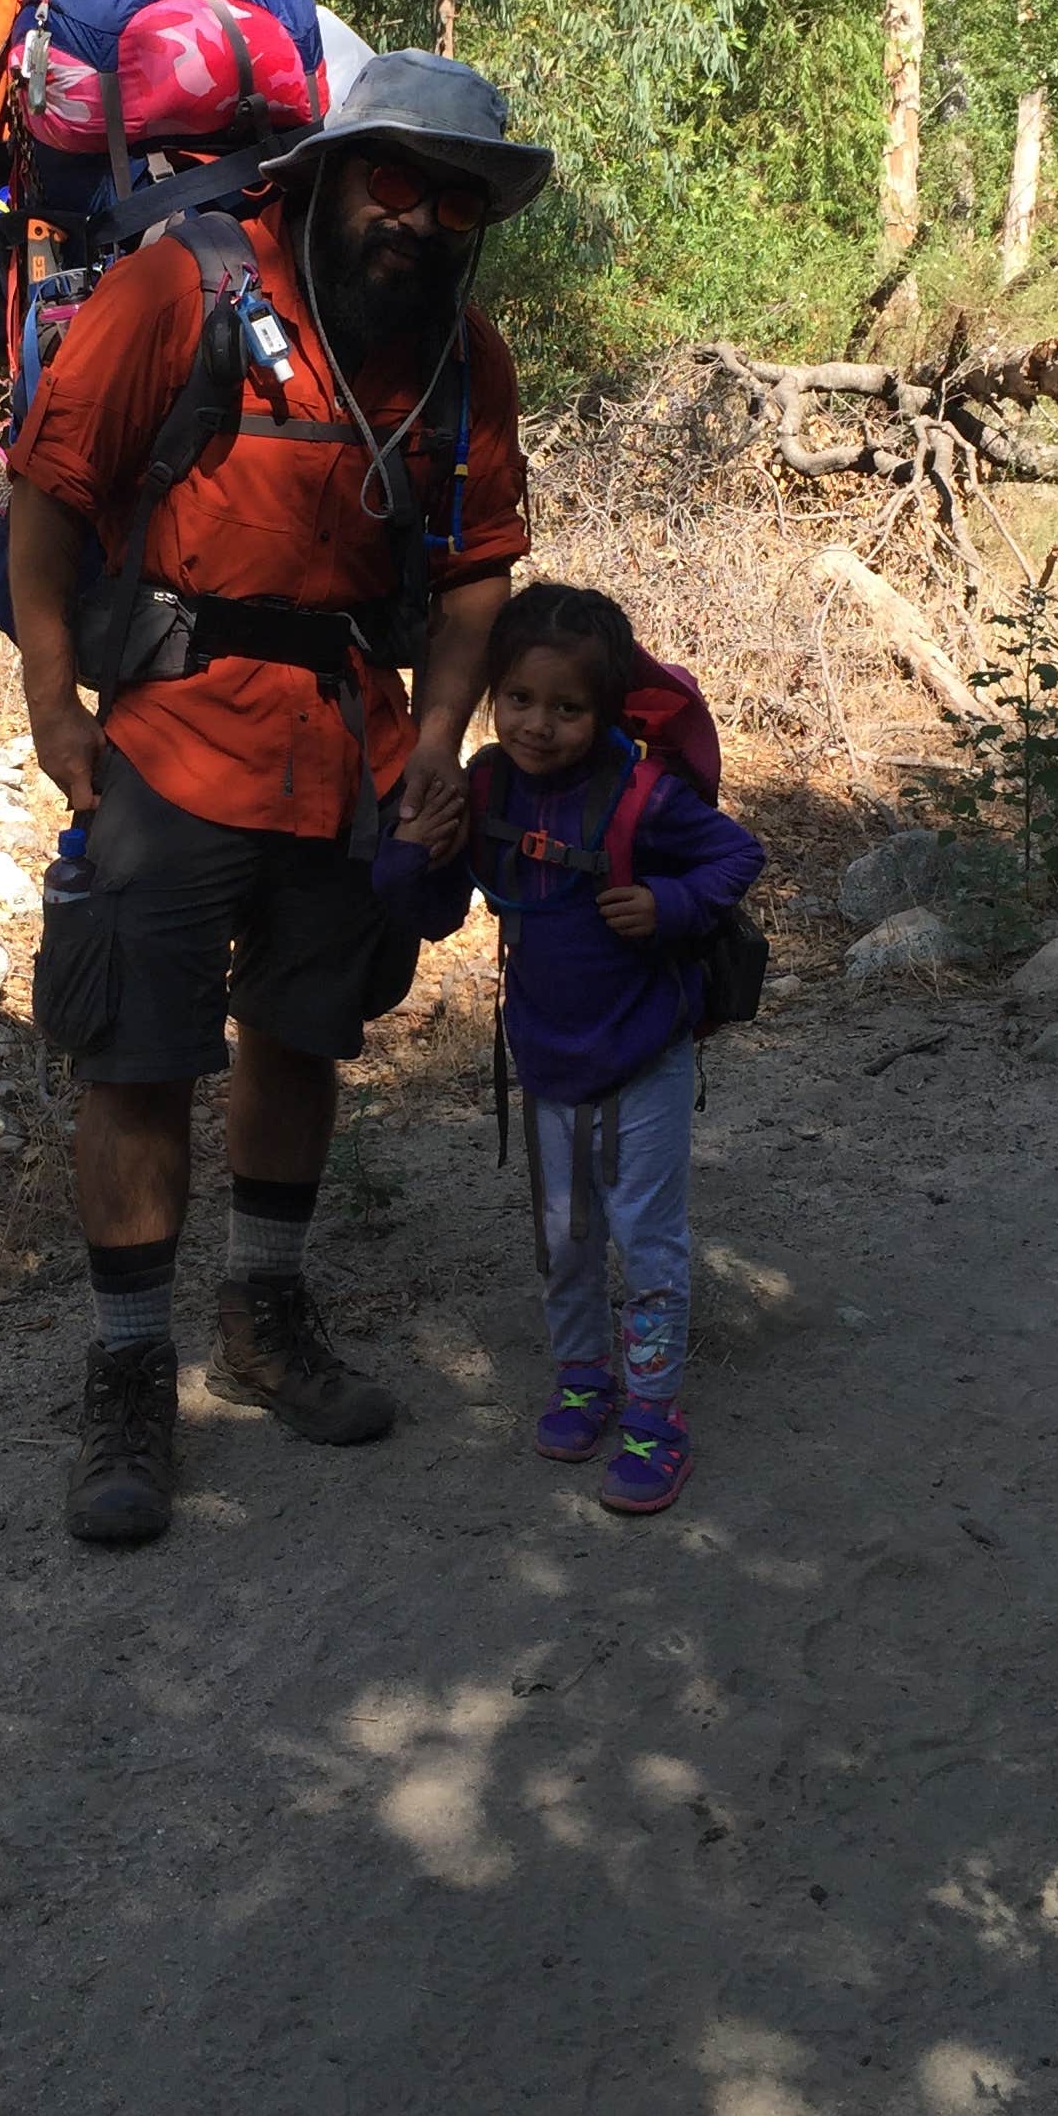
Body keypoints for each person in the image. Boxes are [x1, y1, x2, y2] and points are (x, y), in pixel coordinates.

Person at [6, 49, 551, 1548]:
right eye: (400, 181)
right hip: (172, 744)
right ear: (329, 165)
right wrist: (55, 706)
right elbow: (51, 494)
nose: (423, 222)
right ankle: (127, 1380)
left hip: (349, 753)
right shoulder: (181, 291)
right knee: (134, 1051)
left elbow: (472, 572)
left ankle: (264, 1312)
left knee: (305, 1030)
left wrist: (440, 736)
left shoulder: (462, 359)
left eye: (458, 202)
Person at [371, 583, 764, 1515]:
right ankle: (585, 1381)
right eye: (518, 701)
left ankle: (656, 1419)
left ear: (607, 710)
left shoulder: (642, 798)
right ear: (491, 694)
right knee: (565, 1241)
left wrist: (669, 906)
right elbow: (431, 913)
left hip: (644, 1060)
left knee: (648, 1240)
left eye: (568, 708)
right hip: (547, 1065)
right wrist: (407, 852)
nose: (538, 726)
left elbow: (735, 855)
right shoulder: (485, 790)